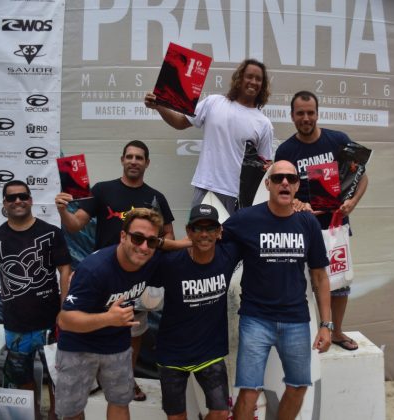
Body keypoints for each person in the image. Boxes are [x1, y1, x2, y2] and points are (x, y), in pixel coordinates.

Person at [54, 139, 174, 401]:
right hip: (103, 275)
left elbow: (167, 236)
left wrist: (174, 248)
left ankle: (126, 381)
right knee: (95, 325)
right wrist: (64, 211)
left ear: (147, 163)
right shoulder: (102, 190)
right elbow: (75, 226)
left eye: (139, 157)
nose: (133, 161)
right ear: (122, 160)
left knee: (133, 330)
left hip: (138, 275)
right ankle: (94, 379)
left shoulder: (157, 197)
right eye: (129, 156)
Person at [221, 160, 332, 420]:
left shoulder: (307, 222)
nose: (285, 182)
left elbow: (320, 276)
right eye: (279, 177)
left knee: (298, 385)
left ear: (296, 187)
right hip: (255, 318)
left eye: (291, 179)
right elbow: (208, 238)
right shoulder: (246, 219)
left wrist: (327, 324)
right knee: (249, 391)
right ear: (268, 183)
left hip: (295, 319)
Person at [0, 180, 72, 420]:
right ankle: (31, 416)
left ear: (31, 200)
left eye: (22, 196)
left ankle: (54, 416)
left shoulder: (51, 232)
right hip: (15, 326)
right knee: (22, 381)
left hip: (50, 322)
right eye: (11, 198)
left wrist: (64, 309)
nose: (18, 201)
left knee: (56, 378)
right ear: (4, 204)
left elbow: (65, 269)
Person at [274, 90, 368, 351]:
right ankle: (307, 334)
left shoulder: (338, 140)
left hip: (336, 224)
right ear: (292, 116)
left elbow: (362, 176)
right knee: (303, 284)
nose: (306, 118)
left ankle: (336, 332)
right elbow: (279, 188)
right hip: (302, 226)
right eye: (300, 113)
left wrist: (352, 202)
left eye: (310, 112)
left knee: (340, 284)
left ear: (317, 113)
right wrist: (294, 203)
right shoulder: (286, 150)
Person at [54, 208, 164, 420]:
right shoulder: (94, 270)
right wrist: (109, 318)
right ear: (123, 236)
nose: (143, 247)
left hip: (116, 345)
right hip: (79, 346)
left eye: (151, 241)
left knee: (121, 401)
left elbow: (175, 249)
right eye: (138, 238)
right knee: (71, 411)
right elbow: (65, 320)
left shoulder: (150, 260)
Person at [144, 58, 274, 214]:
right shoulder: (214, 102)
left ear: (263, 85)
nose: (253, 81)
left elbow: (265, 166)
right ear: (239, 79)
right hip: (206, 187)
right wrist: (159, 106)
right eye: (249, 76)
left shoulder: (264, 123)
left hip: (238, 196)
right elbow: (180, 122)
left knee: (231, 239)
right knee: (199, 237)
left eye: (258, 79)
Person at [151, 204, 240, 420]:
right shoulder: (170, 263)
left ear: (219, 232)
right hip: (172, 354)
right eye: (198, 228)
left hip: (209, 352)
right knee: (176, 417)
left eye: (210, 228)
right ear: (188, 231)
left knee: (220, 412)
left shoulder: (228, 255)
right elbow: (137, 264)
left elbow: (256, 225)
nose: (204, 234)